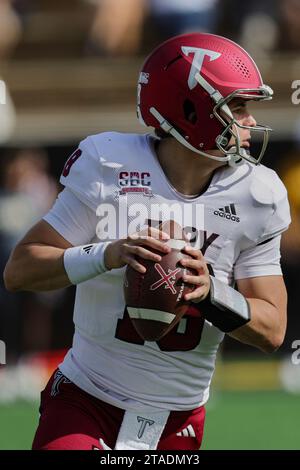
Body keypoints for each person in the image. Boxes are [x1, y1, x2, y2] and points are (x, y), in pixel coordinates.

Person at [4, 33, 291, 450]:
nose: (249, 123)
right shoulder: (109, 164)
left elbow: (273, 328)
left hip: (179, 421)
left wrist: (211, 293)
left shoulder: (258, 194)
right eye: (238, 107)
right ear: (191, 109)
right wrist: (107, 254)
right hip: (87, 399)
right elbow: (21, 269)